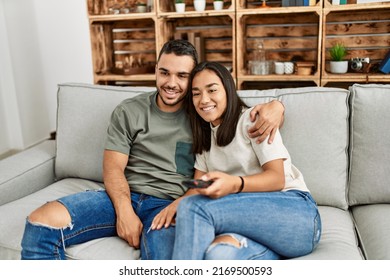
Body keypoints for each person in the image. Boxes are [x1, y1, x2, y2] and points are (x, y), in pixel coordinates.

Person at [20, 40, 285, 260]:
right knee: (40, 222)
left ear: (193, 80)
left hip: (170, 206)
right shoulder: (129, 111)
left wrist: (277, 107)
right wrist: (124, 211)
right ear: (156, 70)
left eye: (182, 76)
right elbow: (113, 168)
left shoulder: (204, 113)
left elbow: (240, 115)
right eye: (165, 72)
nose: (171, 83)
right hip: (121, 198)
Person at [171, 61, 321, 260]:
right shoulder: (206, 137)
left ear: (228, 90)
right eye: (196, 93)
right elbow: (196, 187)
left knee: (195, 207)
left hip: (296, 213)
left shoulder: (252, 120)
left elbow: (277, 179)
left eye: (212, 90)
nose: (204, 100)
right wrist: (174, 207)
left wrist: (234, 184)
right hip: (261, 230)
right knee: (219, 256)